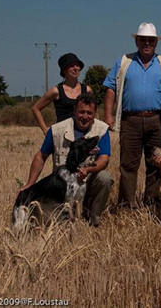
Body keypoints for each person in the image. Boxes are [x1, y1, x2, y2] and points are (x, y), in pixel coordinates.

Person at [103, 22, 161, 208]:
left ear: (156, 43)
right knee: (128, 166)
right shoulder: (124, 61)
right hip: (130, 120)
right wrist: (108, 114)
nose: (147, 43)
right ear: (137, 42)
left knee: (155, 163)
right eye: (143, 40)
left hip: (157, 119)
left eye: (151, 40)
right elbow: (110, 87)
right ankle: (126, 205)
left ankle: (151, 203)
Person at [20, 93, 112, 226]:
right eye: (81, 112)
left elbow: (104, 159)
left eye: (89, 113)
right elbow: (41, 156)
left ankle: (93, 219)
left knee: (105, 177)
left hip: (88, 182)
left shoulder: (102, 130)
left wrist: (88, 169)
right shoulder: (57, 130)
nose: (85, 116)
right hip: (63, 188)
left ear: (95, 114)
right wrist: (29, 184)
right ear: (74, 111)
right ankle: (58, 218)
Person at [32, 53, 92, 134]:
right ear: (64, 70)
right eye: (71, 66)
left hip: (83, 135)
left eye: (77, 65)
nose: (75, 68)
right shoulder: (56, 91)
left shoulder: (87, 90)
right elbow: (36, 108)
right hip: (62, 135)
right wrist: (46, 131)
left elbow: (92, 110)